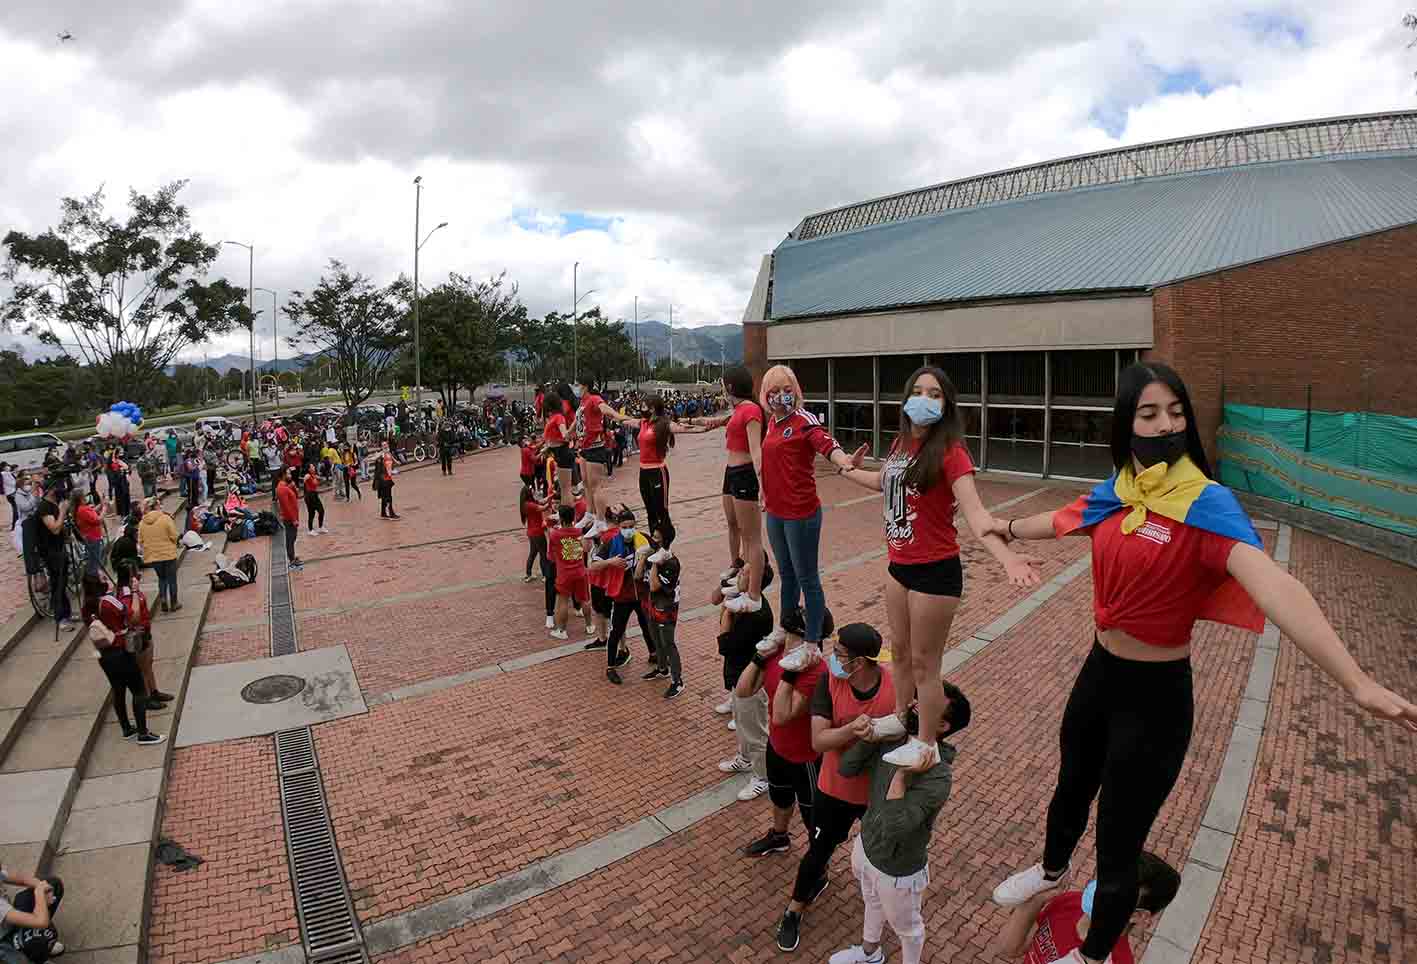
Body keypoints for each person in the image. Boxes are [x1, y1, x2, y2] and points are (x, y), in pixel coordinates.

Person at [988, 361, 1417, 964]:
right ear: (1125, 423)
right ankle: (1051, 872)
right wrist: (1002, 526)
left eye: (1176, 413)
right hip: (1098, 673)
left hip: (1155, 699)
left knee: (1117, 849)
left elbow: (1275, 585)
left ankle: (1089, 959)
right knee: (1070, 790)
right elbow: (1061, 519)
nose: (1166, 425)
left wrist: (1356, 679)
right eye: (1149, 413)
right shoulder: (1119, 490)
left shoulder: (1206, 504)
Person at [838, 364, 1041, 770]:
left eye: (935, 394)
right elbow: (883, 483)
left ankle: (926, 741)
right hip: (900, 565)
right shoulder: (899, 444)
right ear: (906, 399)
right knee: (899, 652)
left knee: (924, 664)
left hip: (936, 571)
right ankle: (899, 719)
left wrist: (1007, 555)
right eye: (919, 391)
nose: (925, 400)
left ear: (947, 405)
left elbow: (978, 516)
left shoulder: (951, 453)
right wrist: (845, 468)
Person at [828, 681, 971, 964]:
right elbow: (846, 768)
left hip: (898, 870)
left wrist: (901, 777)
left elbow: (897, 827)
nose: (913, 706)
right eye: (916, 700)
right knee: (871, 902)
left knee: (909, 929)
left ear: (942, 726)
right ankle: (870, 954)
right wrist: (874, 733)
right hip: (867, 845)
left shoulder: (938, 776)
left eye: (925, 707)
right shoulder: (894, 739)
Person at [774, 623, 896, 953]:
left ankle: (891, 914)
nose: (833, 659)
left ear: (859, 662)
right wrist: (853, 731)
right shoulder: (830, 681)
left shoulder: (896, 685)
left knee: (884, 856)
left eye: (839, 654)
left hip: (877, 793)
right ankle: (794, 909)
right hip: (834, 791)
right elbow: (819, 739)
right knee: (817, 852)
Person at [757, 364, 865, 656]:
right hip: (776, 513)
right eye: (774, 391)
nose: (781, 396)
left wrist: (844, 461)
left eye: (787, 390)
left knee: (807, 577)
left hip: (801, 514)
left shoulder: (803, 419)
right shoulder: (772, 424)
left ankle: (811, 643)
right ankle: (785, 625)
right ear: (765, 395)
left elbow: (826, 444)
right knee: (787, 575)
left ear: (796, 391)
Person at [738, 605, 834, 858]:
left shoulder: (817, 671)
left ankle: (818, 862)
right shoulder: (778, 653)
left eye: (792, 634)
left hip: (806, 758)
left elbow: (782, 716)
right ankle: (779, 836)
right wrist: (760, 656)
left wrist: (790, 673)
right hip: (777, 746)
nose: (787, 638)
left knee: (812, 814)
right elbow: (743, 690)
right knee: (780, 797)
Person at [680, 366, 766, 611]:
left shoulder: (751, 410)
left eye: (722, 383)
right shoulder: (738, 410)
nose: (721, 387)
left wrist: (763, 485)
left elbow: (756, 450)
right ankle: (737, 565)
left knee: (751, 537)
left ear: (729, 386)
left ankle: (753, 592)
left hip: (744, 474)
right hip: (731, 474)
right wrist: (690, 422)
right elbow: (716, 422)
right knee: (732, 523)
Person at [994, 852, 1180, 964]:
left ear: (1138, 916)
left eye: (1116, 892)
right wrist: (1035, 902)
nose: (1100, 889)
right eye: (1106, 879)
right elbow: (1009, 949)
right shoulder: (1070, 902)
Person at [712, 557, 776, 800]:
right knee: (741, 723)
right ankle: (744, 758)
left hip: (751, 681)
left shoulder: (756, 614)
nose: (738, 575)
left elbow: (726, 645)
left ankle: (763, 777)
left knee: (755, 731)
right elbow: (714, 598)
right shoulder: (742, 602)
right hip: (737, 676)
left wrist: (726, 615)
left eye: (744, 574)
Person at [90, 560, 166, 745]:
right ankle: (143, 733)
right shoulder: (111, 601)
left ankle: (126, 728)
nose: (108, 579)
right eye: (103, 577)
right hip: (119, 650)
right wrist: (133, 593)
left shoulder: (90, 603)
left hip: (104, 653)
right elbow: (133, 616)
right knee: (138, 690)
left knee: (118, 691)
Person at [601, 506, 655, 684]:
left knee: (647, 625)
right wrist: (611, 562)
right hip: (622, 597)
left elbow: (658, 550)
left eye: (631, 526)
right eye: (624, 527)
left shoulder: (643, 539)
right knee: (616, 631)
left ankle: (654, 654)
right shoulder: (611, 543)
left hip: (641, 593)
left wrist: (650, 555)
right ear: (619, 527)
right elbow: (593, 565)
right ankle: (610, 667)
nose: (628, 530)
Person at [570, 375, 625, 529]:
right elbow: (578, 420)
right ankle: (590, 514)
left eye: (577, 384)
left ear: (585, 386)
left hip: (595, 447)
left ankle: (600, 520)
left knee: (596, 486)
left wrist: (617, 416)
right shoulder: (582, 402)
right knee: (586, 483)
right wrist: (569, 432)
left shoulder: (594, 399)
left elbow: (603, 408)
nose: (575, 387)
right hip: (584, 447)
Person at [619, 395, 676, 537]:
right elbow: (621, 419)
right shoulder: (642, 423)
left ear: (653, 408)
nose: (640, 409)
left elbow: (687, 428)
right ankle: (654, 540)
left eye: (643, 406)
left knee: (661, 510)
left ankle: (666, 544)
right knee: (650, 510)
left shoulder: (663, 424)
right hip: (643, 472)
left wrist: (709, 425)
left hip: (657, 471)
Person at [643, 516, 684, 699]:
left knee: (668, 643)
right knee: (655, 638)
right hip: (653, 605)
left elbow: (653, 585)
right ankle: (662, 668)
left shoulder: (671, 563)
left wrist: (654, 563)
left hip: (666, 608)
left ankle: (677, 681)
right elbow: (638, 577)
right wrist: (645, 556)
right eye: (653, 535)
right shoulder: (653, 553)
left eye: (657, 537)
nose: (654, 538)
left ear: (665, 539)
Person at [0, 862, 64, 962]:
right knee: (30, 940)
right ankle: (35, 957)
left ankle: (42, 946)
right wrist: (40, 894)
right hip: (4, 939)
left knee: (53, 884)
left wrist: (43, 887)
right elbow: (41, 922)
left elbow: (24, 879)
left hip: (9, 922)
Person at [34, 477, 76, 629]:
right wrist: (63, 510)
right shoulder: (44, 507)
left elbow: (60, 529)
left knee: (63, 582)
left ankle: (67, 613)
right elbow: (54, 527)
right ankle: (60, 618)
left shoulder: (53, 504)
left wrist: (66, 536)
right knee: (57, 584)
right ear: (51, 489)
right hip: (51, 552)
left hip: (59, 548)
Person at [547, 505, 591, 642]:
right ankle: (590, 625)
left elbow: (550, 557)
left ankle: (562, 630)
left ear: (560, 518)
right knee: (584, 599)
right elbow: (586, 549)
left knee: (563, 601)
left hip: (564, 573)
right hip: (580, 570)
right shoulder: (579, 531)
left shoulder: (555, 534)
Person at [138, 498, 181, 612]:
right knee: (172, 579)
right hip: (168, 553)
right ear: (156, 506)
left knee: (161, 578)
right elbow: (174, 535)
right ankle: (174, 602)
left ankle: (162, 598)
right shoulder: (165, 518)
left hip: (153, 556)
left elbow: (140, 540)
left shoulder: (142, 522)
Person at [541, 389, 574, 509]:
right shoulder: (554, 417)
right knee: (563, 487)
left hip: (563, 452)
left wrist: (569, 434)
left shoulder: (559, 417)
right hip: (558, 453)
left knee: (566, 489)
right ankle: (565, 515)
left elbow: (564, 434)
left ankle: (567, 517)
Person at [72, 490, 106, 577]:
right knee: (94, 562)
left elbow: (92, 511)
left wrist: (101, 504)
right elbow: (97, 520)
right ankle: (93, 581)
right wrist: (105, 509)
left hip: (93, 537)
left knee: (95, 561)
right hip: (92, 538)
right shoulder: (81, 510)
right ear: (81, 498)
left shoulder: (82, 508)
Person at [274, 468, 303, 570]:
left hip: (292, 517)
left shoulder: (286, 486)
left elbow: (296, 496)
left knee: (293, 537)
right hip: (289, 518)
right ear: (283, 475)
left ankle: (293, 557)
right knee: (290, 538)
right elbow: (286, 506)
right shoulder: (281, 488)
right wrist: (293, 519)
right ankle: (291, 560)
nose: (290, 475)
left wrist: (293, 487)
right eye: (288, 473)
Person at [520, 483, 548, 583]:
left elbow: (542, 501)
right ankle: (545, 575)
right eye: (532, 490)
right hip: (537, 533)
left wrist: (551, 495)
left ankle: (529, 574)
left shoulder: (526, 504)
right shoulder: (530, 505)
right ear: (528, 493)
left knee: (533, 553)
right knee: (543, 554)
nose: (534, 491)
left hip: (531, 533)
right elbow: (543, 507)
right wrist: (552, 503)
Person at [373, 444, 399, 520]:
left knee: (385, 497)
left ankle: (383, 513)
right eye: (384, 446)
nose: (386, 447)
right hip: (383, 479)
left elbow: (393, 463)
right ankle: (391, 513)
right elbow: (377, 467)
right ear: (381, 448)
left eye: (387, 446)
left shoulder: (389, 455)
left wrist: (395, 463)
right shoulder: (380, 456)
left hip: (388, 478)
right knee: (388, 497)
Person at [303, 463, 327, 535]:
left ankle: (320, 527)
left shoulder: (314, 475)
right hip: (309, 496)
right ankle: (310, 530)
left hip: (314, 495)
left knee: (321, 511)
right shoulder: (308, 475)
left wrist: (320, 478)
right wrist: (305, 479)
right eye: (312, 467)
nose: (314, 467)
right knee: (311, 513)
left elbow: (318, 480)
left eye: (313, 466)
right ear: (309, 469)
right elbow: (304, 480)